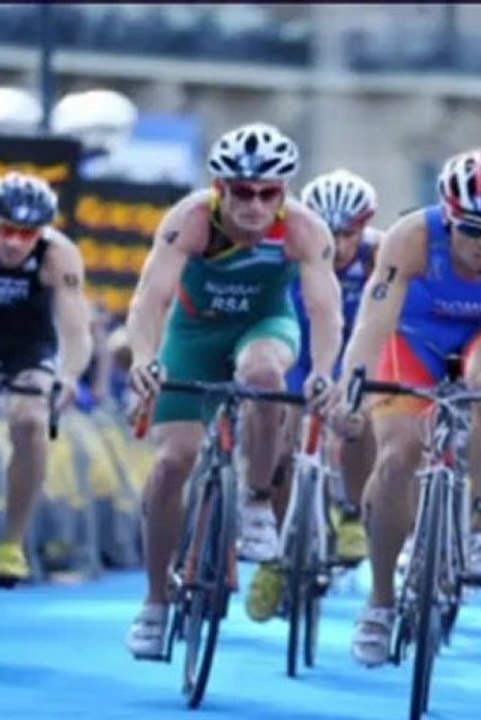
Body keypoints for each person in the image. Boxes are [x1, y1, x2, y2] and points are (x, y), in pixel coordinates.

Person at [335, 148, 481, 667]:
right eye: (471, 230)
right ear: (447, 217)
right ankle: (379, 601)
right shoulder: (411, 239)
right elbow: (371, 327)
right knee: (397, 457)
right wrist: (351, 392)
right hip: (414, 339)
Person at [123, 122, 342, 659]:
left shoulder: (304, 231)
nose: (254, 205)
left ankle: (258, 503)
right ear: (221, 189)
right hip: (194, 335)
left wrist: (322, 370)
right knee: (174, 460)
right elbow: (150, 300)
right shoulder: (191, 220)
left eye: (268, 194)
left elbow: (324, 310)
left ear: (284, 194)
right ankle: (154, 602)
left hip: (264, 326)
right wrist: (145, 359)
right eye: (242, 192)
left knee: (265, 376)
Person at [245, 168, 383, 622]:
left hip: (351, 352)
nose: (338, 243)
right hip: (296, 350)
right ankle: (279, 556)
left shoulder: (380, 255)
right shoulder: (285, 247)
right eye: (329, 232)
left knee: (356, 415)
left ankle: (352, 514)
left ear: (363, 228)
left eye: (348, 233)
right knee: (280, 434)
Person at [0, 172, 92, 585]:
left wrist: (69, 377)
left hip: (29, 347)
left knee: (31, 420)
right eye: (6, 230)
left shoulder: (59, 255)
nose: (15, 242)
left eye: (27, 233)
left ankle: (12, 541)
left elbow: (75, 330)